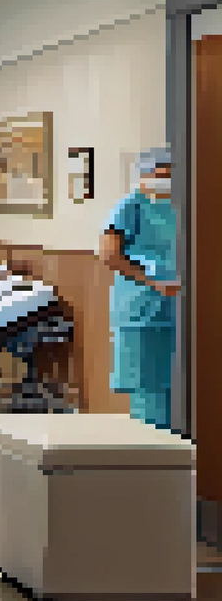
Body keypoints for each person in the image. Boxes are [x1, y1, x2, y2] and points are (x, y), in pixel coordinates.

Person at [100, 148, 179, 430]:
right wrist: (151, 282)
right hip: (141, 310)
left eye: (171, 173)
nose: (166, 179)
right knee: (149, 392)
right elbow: (109, 254)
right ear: (145, 175)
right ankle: (152, 464)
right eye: (161, 173)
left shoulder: (183, 206)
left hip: (176, 310)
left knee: (176, 391)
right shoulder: (130, 205)